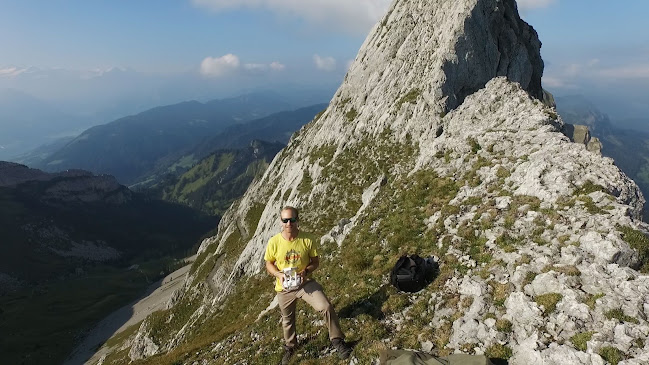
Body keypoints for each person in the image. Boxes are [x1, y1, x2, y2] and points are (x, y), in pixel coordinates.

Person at [264, 206, 352, 364]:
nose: (289, 223)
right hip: (284, 288)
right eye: (285, 220)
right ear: (280, 221)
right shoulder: (274, 242)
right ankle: (291, 346)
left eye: (292, 220)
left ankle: (337, 340)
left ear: (298, 220)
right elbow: (269, 263)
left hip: (305, 284)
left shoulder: (307, 239)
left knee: (325, 306)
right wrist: (278, 274)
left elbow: (315, 262)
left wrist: (305, 271)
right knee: (287, 319)